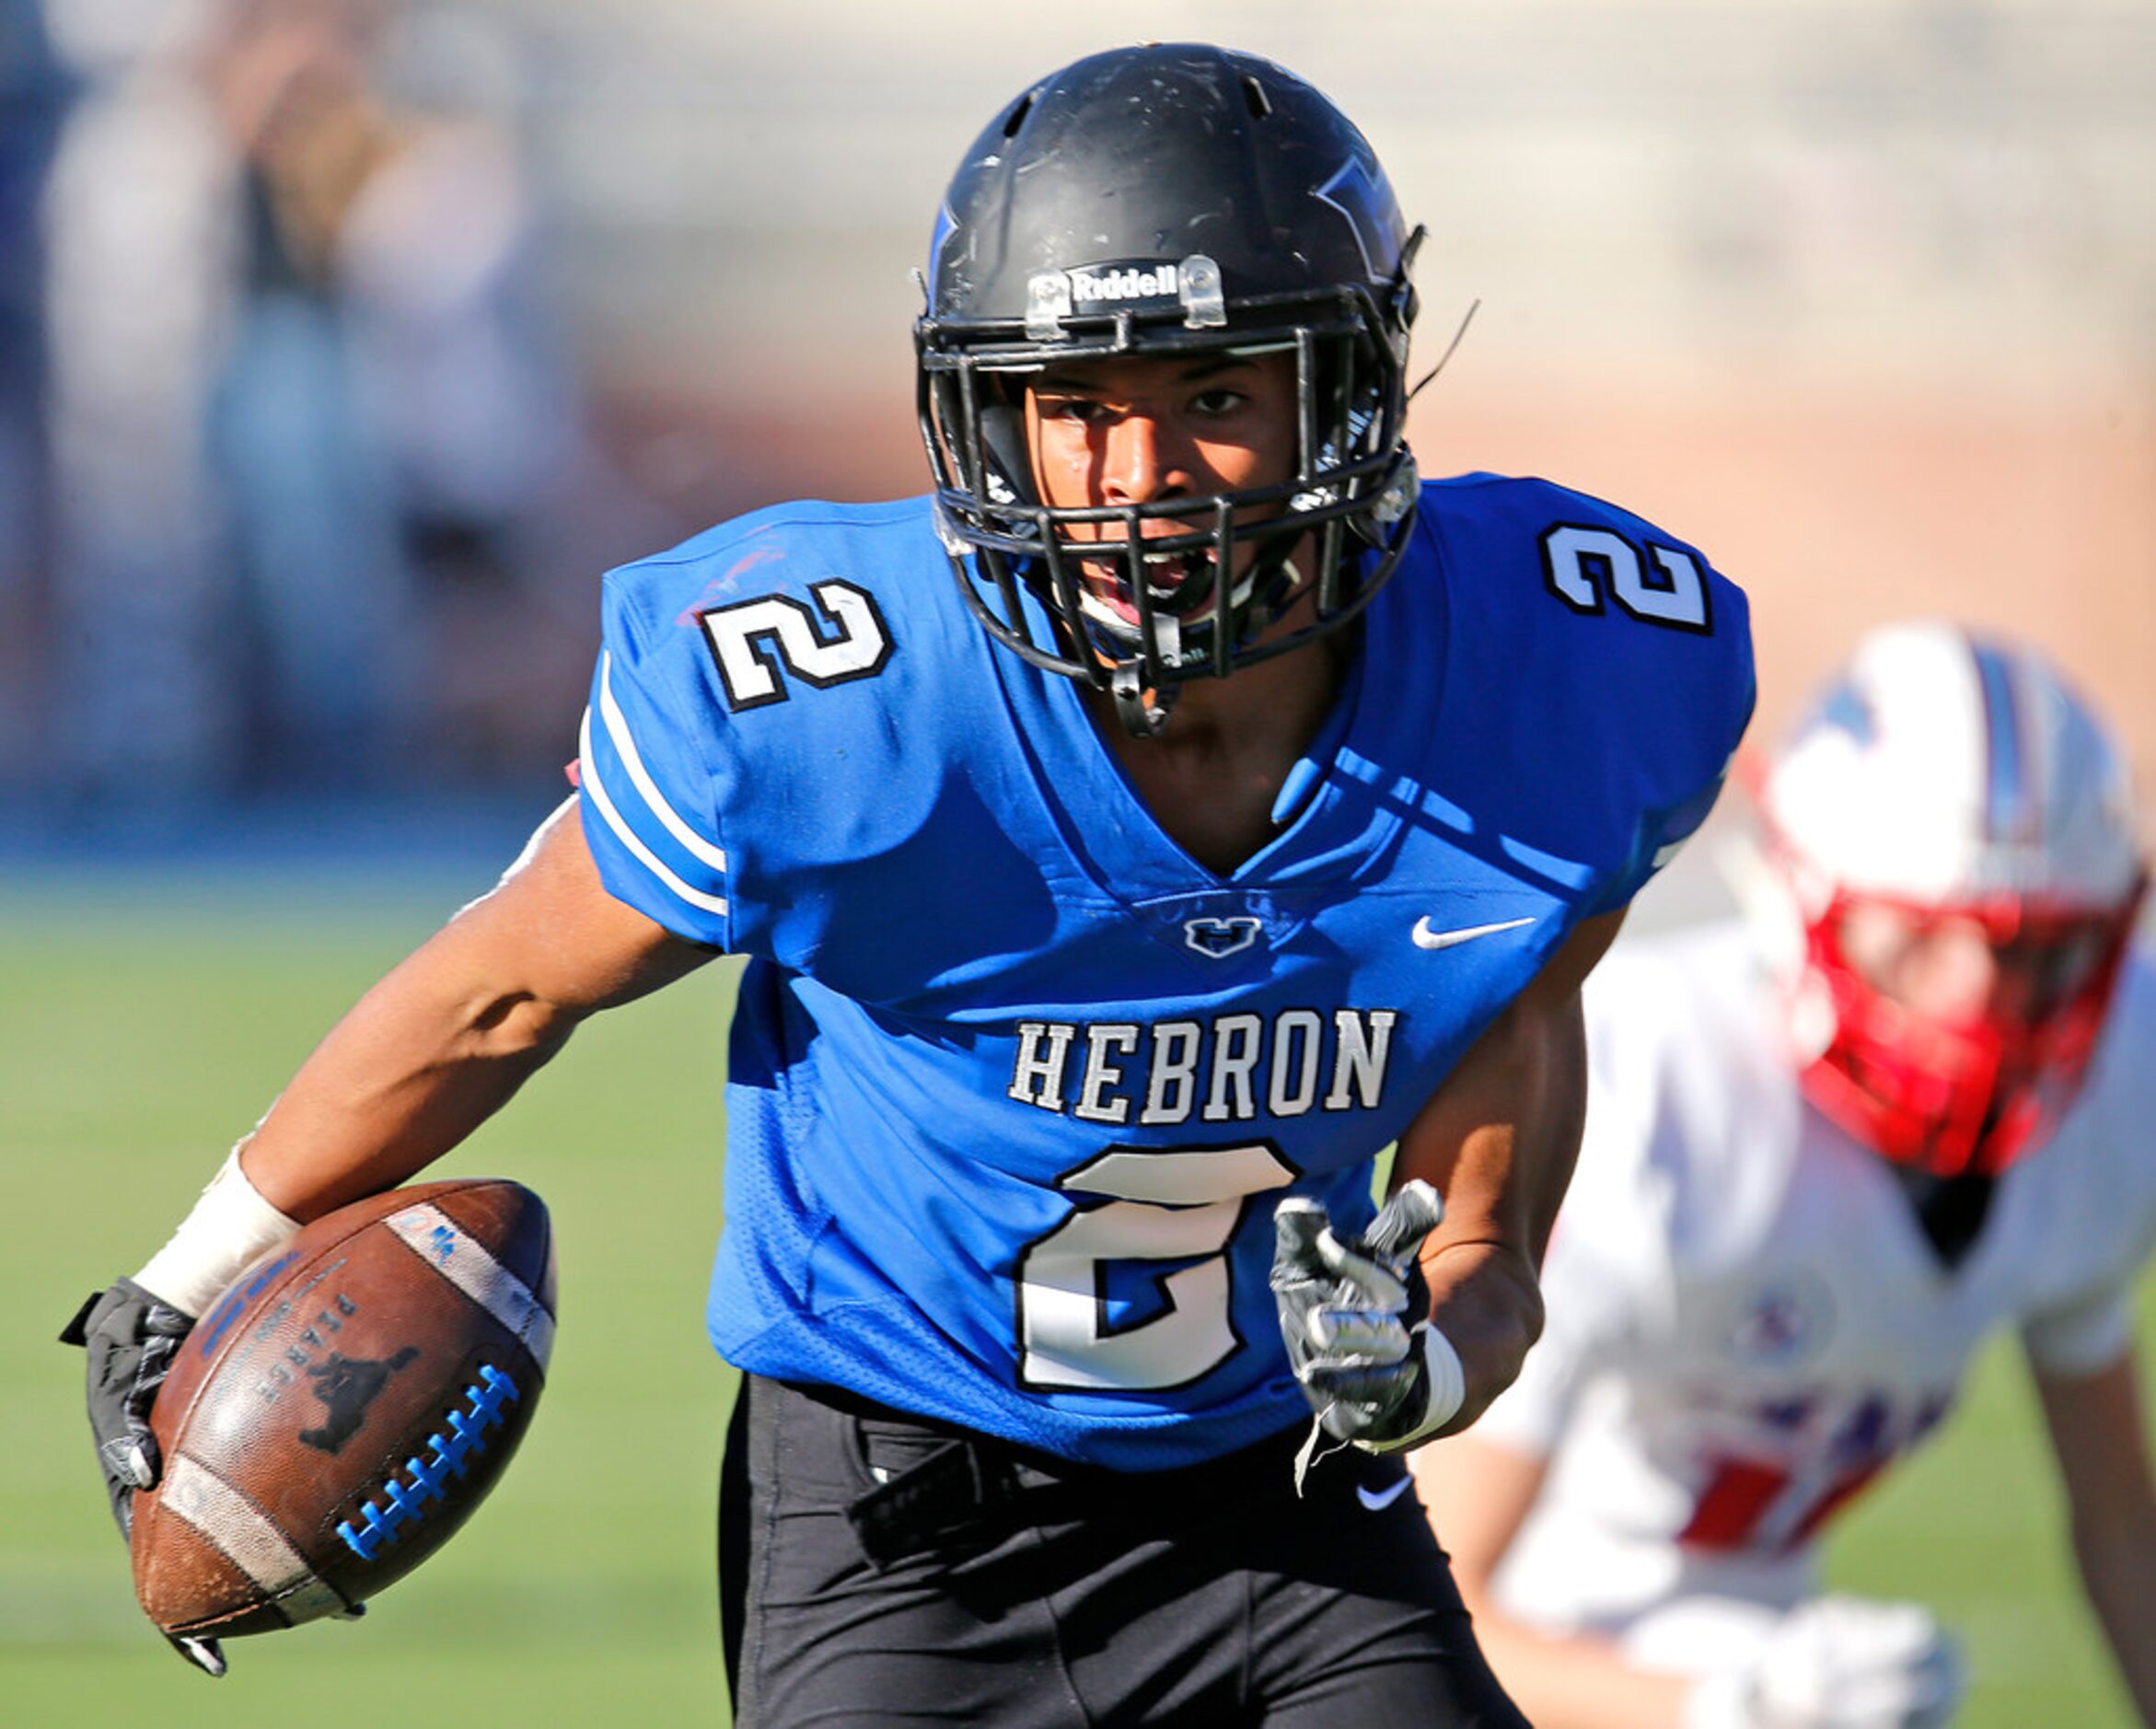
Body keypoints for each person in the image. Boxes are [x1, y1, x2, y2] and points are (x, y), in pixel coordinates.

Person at [64, 42, 1755, 1723]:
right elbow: (505, 985)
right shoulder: (843, 698)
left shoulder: (1563, 678)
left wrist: (1425, 1358)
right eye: (1074, 406)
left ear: (1351, 390)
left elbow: (1493, 1182)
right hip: (902, 1524)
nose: (1136, 481)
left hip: (1284, 1511)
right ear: (978, 415)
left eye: (1217, 398)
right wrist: (194, 1264)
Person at [1413, 621, 2156, 1728]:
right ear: (1800, 900)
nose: (1977, 1004)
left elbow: (2118, 1522)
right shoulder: (1651, 1097)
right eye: (1917, 936)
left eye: (2033, 950)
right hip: (1521, 1668)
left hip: (1760, 1652)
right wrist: (1722, 1704)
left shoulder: (2112, 1084)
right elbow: (1413, 1616)